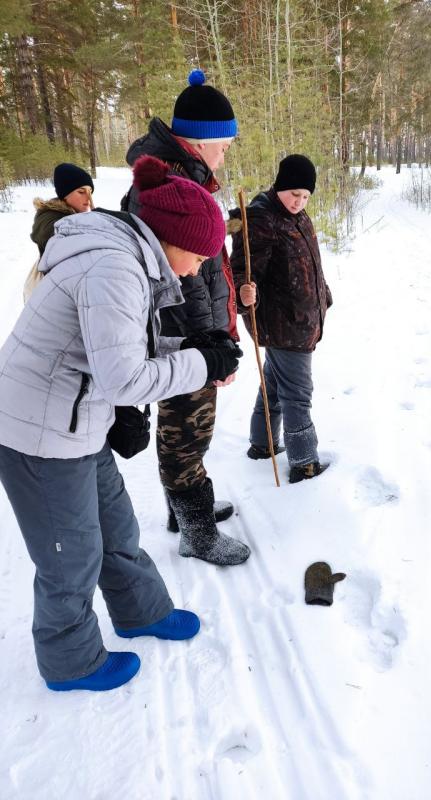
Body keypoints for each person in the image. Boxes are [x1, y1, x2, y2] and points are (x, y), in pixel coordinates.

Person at [0, 155, 245, 692]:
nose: (199, 267)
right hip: (38, 430)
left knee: (116, 527)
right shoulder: (116, 268)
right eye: (199, 256)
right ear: (171, 239)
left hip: (76, 416)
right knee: (70, 555)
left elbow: (116, 346)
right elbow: (126, 379)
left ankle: (141, 612)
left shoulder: (127, 258)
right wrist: (204, 364)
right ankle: (70, 661)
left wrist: (194, 346)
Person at [122, 69, 245, 564]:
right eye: (225, 143)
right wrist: (210, 339)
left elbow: (204, 267)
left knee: (188, 431)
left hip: (196, 331)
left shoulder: (184, 177)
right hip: (182, 337)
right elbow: (182, 279)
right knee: (185, 433)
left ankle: (185, 510)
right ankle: (196, 531)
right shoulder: (168, 185)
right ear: (201, 141)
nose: (227, 152)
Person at [230, 154, 333, 483]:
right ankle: (304, 464)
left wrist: (323, 295)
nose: (299, 202)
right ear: (280, 187)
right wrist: (245, 293)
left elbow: (309, 262)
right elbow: (243, 270)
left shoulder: (298, 216)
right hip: (284, 324)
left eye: (305, 196)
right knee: (297, 393)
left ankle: (263, 444)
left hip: (301, 319)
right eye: (294, 195)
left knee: (274, 385)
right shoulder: (262, 218)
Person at [25, 163, 94, 301]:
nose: (88, 199)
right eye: (81, 192)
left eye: (90, 192)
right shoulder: (48, 216)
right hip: (48, 295)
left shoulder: (77, 215)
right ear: (65, 194)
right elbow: (49, 233)